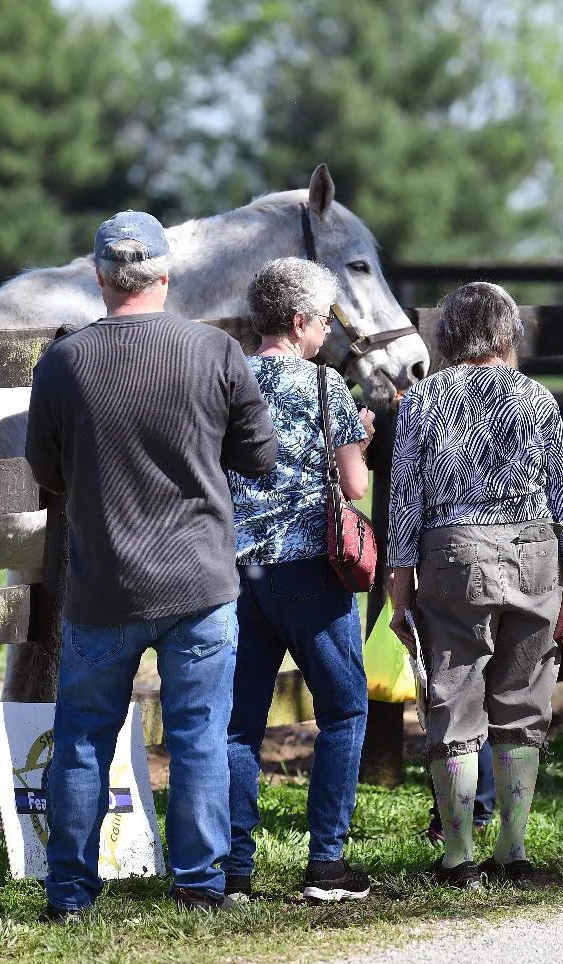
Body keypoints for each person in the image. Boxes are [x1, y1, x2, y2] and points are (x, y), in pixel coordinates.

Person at [26, 211, 278, 919]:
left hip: (104, 582)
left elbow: (46, 472)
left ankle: (70, 892)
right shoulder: (216, 352)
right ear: (166, 275)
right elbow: (260, 457)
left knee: (82, 738)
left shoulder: (63, 362)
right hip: (199, 578)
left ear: (101, 277)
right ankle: (201, 882)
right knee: (199, 736)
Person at [387, 281, 563, 889]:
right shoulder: (536, 399)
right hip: (534, 552)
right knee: (523, 704)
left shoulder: (422, 401)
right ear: (508, 335)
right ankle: (514, 849)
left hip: (453, 556)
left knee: (453, 703)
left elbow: (403, 501)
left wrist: (400, 594)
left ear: (448, 336)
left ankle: (457, 856)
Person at [224, 258, 375, 903]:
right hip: (309, 569)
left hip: (235, 570)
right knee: (343, 712)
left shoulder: (224, 378)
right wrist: (358, 442)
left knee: (237, 725)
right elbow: (355, 485)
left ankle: (230, 866)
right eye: (323, 321)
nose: (327, 334)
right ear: (299, 321)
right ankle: (327, 863)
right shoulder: (325, 387)